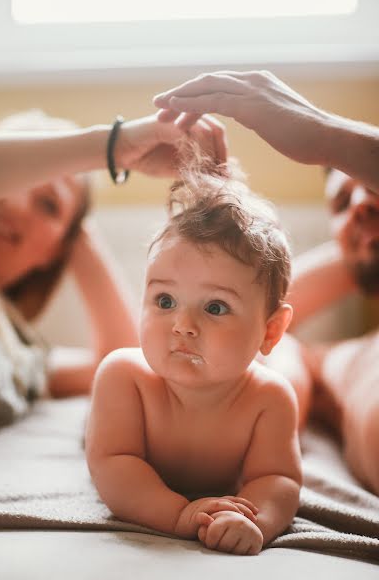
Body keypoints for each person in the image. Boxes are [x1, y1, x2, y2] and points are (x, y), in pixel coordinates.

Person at [153, 69, 379, 495]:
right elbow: (260, 323)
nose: (361, 204)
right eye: (342, 202)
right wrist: (357, 248)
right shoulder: (343, 361)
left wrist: (328, 137)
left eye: (370, 185)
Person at [86, 156, 302, 556]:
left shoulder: (269, 400)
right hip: (114, 438)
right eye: (164, 300)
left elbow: (279, 480)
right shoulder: (124, 379)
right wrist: (180, 515)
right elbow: (112, 464)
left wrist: (253, 521)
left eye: (215, 307)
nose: (182, 325)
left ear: (270, 331)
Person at [0, 109, 227, 433]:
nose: (14, 203)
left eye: (48, 204)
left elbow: (124, 365)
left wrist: (78, 237)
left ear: (56, 252)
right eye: (9, 176)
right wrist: (115, 146)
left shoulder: (18, 348)